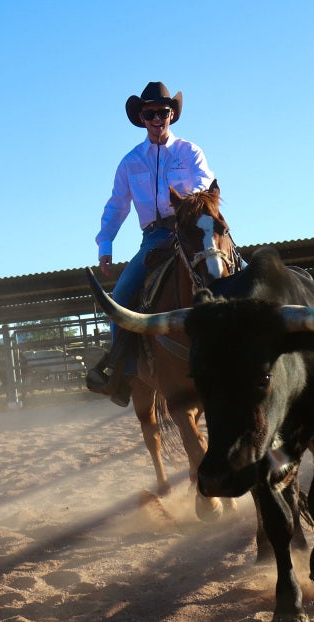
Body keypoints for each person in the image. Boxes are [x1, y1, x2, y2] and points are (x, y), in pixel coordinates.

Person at [87, 81, 216, 406]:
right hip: (155, 238)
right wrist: (106, 245)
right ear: (142, 117)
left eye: (163, 111)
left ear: (172, 114)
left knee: (236, 273)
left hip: (191, 228)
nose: (157, 118)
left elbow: (205, 183)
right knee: (121, 295)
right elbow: (117, 205)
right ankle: (121, 370)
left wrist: (188, 203)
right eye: (150, 113)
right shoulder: (130, 162)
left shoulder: (190, 152)